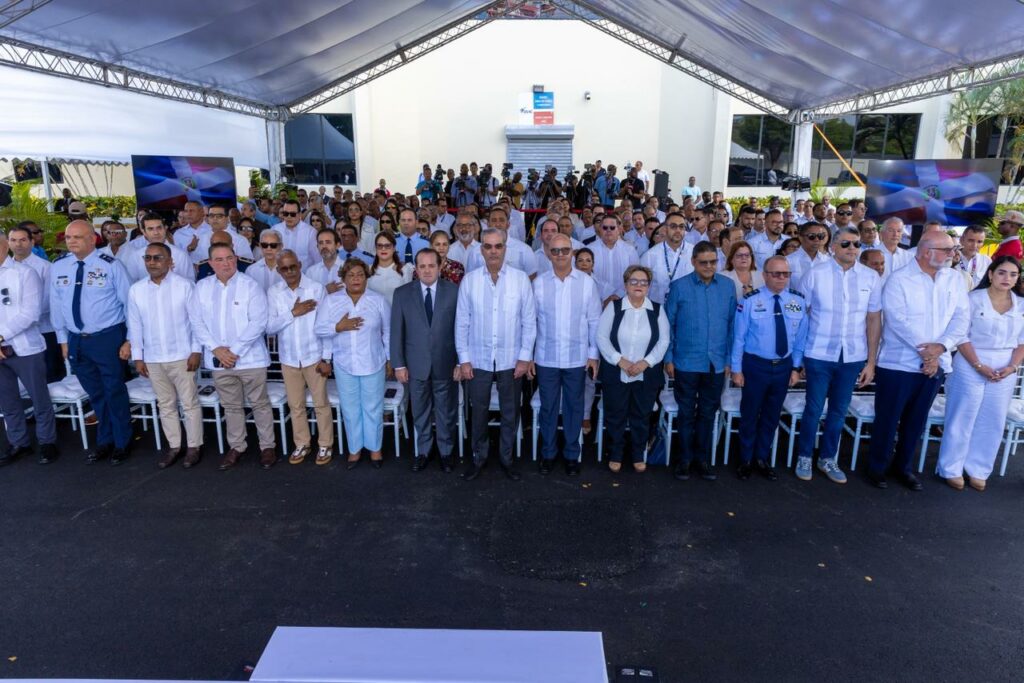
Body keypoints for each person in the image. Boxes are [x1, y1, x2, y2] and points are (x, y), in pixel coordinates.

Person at [867, 231, 969, 491]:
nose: (953, 254)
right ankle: (877, 467)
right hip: (898, 364)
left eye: (953, 249)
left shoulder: (954, 279)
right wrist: (927, 352)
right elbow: (897, 321)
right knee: (888, 419)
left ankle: (903, 468)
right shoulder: (899, 279)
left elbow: (961, 318)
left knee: (916, 421)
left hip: (937, 363)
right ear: (926, 252)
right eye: (947, 249)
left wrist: (941, 347)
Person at [792, 227, 882, 484]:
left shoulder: (870, 277)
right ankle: (805, 456)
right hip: (818, 352)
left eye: (856, 244)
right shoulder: (815, 274)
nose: (852, 248)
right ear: (832, 247)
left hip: (853, 356)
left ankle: (828, 458)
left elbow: (873, 319)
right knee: (813, 408)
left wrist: (871, 362)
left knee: (839, 410)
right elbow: (800, 315)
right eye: (845, 244)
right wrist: (799, 359)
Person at [456, 228, 537, 482]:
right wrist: (464, 359)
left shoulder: (520, 279)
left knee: (510, 412)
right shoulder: (470, 280)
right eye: (488, 246)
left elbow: (529, 321)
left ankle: (507, 459)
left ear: (505, 249)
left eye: (498, 246)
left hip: (511, 359)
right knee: (478, 411)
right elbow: (462, 323)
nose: (493, 251)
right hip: (478, 358)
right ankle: (478, 458)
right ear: (481, 250)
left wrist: (524, 357)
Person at [49, 220, 133, 464]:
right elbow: (56, 305)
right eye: (68, 237)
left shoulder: (110, 265)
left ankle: (122, 441)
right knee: (95, 393)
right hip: (76, 340)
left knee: (114, 390)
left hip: (107, 338)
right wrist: (63, 340)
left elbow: (130, 305)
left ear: (92, 238)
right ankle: (105, 440)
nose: (71, 241)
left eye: (77, 237)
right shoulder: (59, 266)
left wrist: (130, 340)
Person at [937, 257, 1024, 490]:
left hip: (1005, 366)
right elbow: (961, 335)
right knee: (962, 416)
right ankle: (951, 468)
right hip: (970, 361)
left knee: (993, 419)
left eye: (1013, 274)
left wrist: (1011, 367)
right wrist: (978, 365)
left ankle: (978, 469)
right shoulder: (972, 299)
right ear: (991, 274)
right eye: (1002, 272)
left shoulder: (1021, 304)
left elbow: (1022, 342)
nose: (1007, 278)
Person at [189, 243, 277, 470]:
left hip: (250, 358)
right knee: (231, 406)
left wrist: (234, 351)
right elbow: (196, 322)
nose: (225, 263)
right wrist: (216, 349)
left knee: (260, 404)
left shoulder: (250, 285)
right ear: (210, 263)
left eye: (229, 258)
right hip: (219, 360)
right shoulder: (202, 287)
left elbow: (259, 322)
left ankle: (267, 446)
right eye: (219, 259)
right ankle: (237, 446)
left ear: (236, 258)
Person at [126, 242, 204, 468]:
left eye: (158, 258)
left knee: (189, 403)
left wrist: (196, 350)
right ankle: (174, 446)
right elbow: (135, 326)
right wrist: (138, 357)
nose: (152, 262)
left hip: (182, 355)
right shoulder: (137, 290)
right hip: (153, 357)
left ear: (170, 261)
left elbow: (196, 322)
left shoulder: (185, 286)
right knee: (165, 404)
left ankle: (194, 446)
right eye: (148, 258)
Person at [730, 255, 808, 480]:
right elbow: (738, 338)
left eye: (785, 274)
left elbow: (800, 339)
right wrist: (736, 369)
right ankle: (746, 459)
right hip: (755, 366)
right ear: (764, 275)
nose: (781, 278)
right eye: (776, 273)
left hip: (783, 367)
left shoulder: (798, 301)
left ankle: (762, 458)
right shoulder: (750, 301)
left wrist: (796, 368)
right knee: (750, 414)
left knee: (772, 415)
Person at [531, 234, 601, 476]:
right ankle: (548, 453)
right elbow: (531, 322)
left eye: (564, 250)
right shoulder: (539, 283)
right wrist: (529, 356)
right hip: (546, 357)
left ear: (572, 252)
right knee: (548, 407)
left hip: (576, 357)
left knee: (574, 407)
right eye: (555, 251)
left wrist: (593, 354)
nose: (560, 255)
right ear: (548, 254)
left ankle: (572, 454)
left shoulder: (587, 283)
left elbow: (594, 321)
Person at [664, 241, 735, 481]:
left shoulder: (727, 286)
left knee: (707, 413)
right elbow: (668, 325)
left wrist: (729, 359)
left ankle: (702, 460)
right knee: (686, 413)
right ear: (693, 262)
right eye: (703, 262)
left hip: (716, 362)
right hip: (685, 362)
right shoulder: (679, 287)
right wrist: (668, 358)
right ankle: (684, 459)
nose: (708, 266)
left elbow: (732, 326)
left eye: (713, 262)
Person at [315, 259, 391, 469]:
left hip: (373, 361)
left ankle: (375, 449)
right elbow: (319, 329)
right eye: (351, 275)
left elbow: (388, 332)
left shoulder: (378, 300)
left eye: (360, 274)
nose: (356, 279)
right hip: (344, 362)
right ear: (343, 278)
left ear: (366, 277)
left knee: (373, 407)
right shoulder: (332, 301)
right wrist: (338, 327)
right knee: (350, 409)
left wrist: (390, 359)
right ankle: (355, 449)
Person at [391, 249, 460, 473]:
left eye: (431, 265)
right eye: (422, 266)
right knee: (420, 411)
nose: (427, 270)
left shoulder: (454, 291)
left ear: (440, 267)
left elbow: (462, 329)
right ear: (416, 269)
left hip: (446, 362)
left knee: (446, 411)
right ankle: (423, 451)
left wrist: (461, 362)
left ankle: (446, 452)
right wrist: (399, 364)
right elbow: (396, 332)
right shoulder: (402, 294)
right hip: (415, 365)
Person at [597, 265, 669, 472]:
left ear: (649, 286)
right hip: (616, 371)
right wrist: (620, 361)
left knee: (642, 414)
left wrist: (645, 363)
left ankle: (638, 453)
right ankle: (616, 453)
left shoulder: (657, 310)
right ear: (626, 284)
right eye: (634, 281)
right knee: (616, 414)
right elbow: (601, 337)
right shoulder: (614, 307)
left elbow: (663, 341)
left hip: (646, 373)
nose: (639, 285)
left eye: (644, 282)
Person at [267, 250, 334, 466]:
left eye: (292, 266)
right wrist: (292, 313)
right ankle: (302, 443)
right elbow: (269, 327)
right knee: (296, 405)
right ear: (279, 271)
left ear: (300, 265)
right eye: (284, 269)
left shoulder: (316, 289)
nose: (290, 272)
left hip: (314, 355)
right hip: (288, 357)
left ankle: (325, 444)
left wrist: (326, 358)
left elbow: (326, 325)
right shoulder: (274, 292)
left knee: (321, 403)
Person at [0, 229, 58, 466]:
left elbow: (30, 314)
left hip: (25, 347)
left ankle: (47, 442)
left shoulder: (25, 273)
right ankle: (19, 443)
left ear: (4, 245)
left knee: (39, 397)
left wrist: (1, 336)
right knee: (8, 401)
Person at [118, 213, 194, 283]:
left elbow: (190, 284)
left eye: (159, 228)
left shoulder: (181, 255)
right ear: (144, 232)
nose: (156, 233)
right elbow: (131, 284)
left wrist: (171, 275)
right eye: (150, 229)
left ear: (165, 228)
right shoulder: (136, 257)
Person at [641, 213, 693, 305]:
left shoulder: (695, 252)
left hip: (688, 308)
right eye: (673, 226)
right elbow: (642, 288)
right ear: (665, 229)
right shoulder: (650, 256)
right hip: (658, 309)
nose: (678, 230)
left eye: (681, 226)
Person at [592, 214, 640, 306]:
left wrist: (618, 295)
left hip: (624, 300)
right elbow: (589, 276)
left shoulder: (630, 250)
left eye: (612, 227)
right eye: (605, 227)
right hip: (597, 301)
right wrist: (605, 296)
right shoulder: (590, 249)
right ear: (600, 229)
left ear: (619, 229)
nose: (608, 230)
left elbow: (635, 275)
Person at [367, 231, 413, 304]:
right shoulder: (368, 270)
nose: (383, 249)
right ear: (375, 248)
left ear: (394, 248)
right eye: (380, 245)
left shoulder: (404, 269)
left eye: (387, 245)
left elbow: (408, 298)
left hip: (397, 310)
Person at [270, 199, 318, 268]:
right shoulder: (275, 230)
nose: (289, 217)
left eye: (292, 214)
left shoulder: (310, 232)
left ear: (299, 214)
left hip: (303, 273)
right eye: (286, 214)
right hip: (279, 273)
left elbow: (317, 259)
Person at [304, 228, 345, 293]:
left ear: (337, 245)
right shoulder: (311, 272)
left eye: (328, 242)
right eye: (321, 243)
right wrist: (325, 290)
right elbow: (307, 295)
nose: (324, 246)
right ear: (317, 247)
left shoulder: (347, 268)